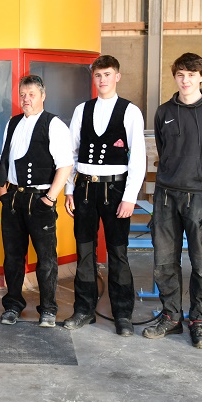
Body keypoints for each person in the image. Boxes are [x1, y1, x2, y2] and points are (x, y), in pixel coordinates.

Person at [142, 53, 202, 348]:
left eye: (192, 75)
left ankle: (199, 322)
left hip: (201, 199)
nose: (186, 80)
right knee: (164, 261)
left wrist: (200, 179)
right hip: (166, 196)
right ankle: (171, 317)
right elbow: (163, 148)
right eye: (180, 74)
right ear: (175, 77)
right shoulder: (164, 111)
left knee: (200, 264)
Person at [63, 55, 146, 336]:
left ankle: (123, 314)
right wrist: (69, 189)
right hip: (85, 189)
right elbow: (71, 153)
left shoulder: (130, 111)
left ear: (117, 76)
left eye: (108, 74)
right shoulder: (82, 110)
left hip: (116, 190)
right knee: (85, 252)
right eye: (98, 75)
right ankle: (84, 310)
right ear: (93, 78)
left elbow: (138, 158)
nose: (103, 80)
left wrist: (130, 196)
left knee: (118, 253)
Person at [0, 75, 73, 327]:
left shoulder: (54, 124)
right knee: (13, 257)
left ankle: (48, 309)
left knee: (46, 259)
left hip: (40, 200)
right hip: (13, 199)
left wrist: (49, 199)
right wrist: (3, 191)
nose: (26, 99)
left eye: (31, 94)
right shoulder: (13, 122)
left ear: (43, 96)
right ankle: (13, 305)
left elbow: (65, 165)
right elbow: (5, 158)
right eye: (22, 95)